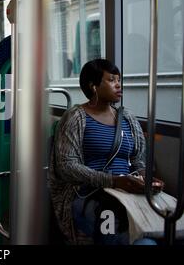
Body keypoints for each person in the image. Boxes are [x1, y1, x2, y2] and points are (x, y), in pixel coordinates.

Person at [48, 59, 164, 245]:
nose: (118, 84)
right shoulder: (75, 117)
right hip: (89, 195)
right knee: (132, 240)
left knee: (163, 229)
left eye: (119, 79)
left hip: (128, 194)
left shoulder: (127, 118)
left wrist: (145, 178)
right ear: (93, 86)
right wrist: (113, 181)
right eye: (111, 80)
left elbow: (139, 159)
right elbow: (66, 166)